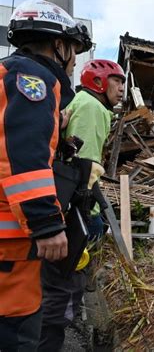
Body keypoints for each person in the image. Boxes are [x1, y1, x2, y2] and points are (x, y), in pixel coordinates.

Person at [0, 0, 92, 351]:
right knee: (18, 335)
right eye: (74, 52)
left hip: (10, 242)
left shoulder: (10, 76)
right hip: (11, 248)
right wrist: (47, 224)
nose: (73, 62)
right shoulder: (33, 80)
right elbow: (22, 156)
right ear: (59, 45)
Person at [39, 59, 125, 351]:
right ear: (99, 82)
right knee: (66, 284)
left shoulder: (83, 102)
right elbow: (83, 167)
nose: (122, 88)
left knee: (57, 283)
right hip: (74, 208)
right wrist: (89, 210)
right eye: (117, 81)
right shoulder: (93, 108)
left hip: (63, 202)